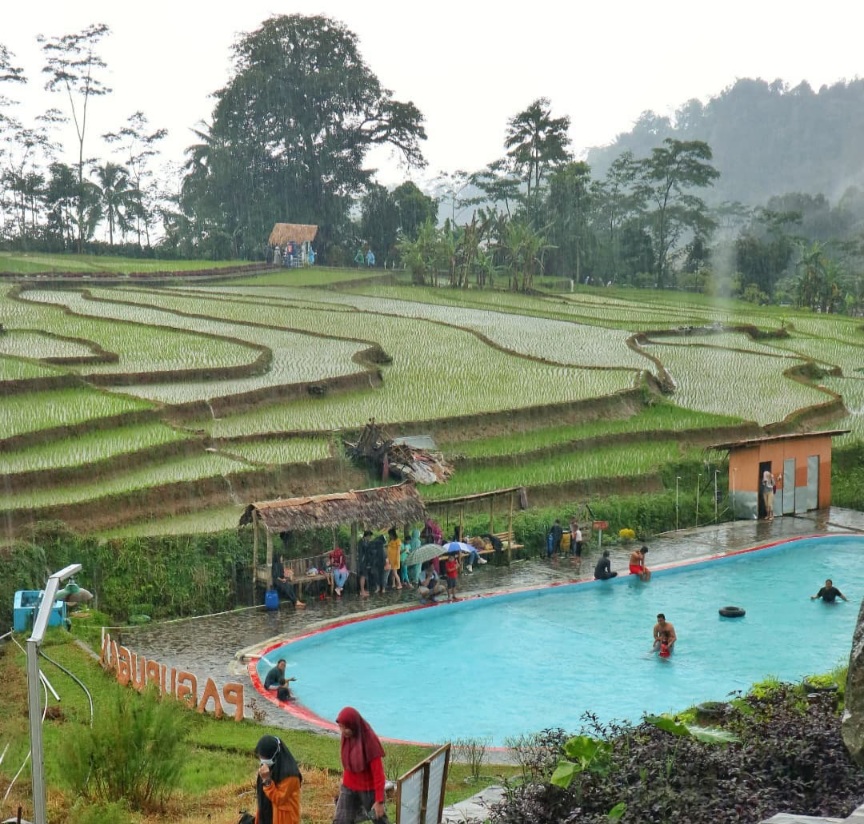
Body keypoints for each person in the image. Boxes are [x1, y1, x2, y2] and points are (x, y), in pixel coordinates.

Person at [334, 707, 388, 824]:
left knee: (380, 820)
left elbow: (378, 774)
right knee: (340, 821)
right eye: (341, 727)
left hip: (368, 790)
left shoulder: (370, 741)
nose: (343, 731)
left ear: (353, 726)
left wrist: (379, 801)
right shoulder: (347, 737)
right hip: (349, 787)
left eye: (345, 728)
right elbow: (349, 763)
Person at [255, 734, 303, 824]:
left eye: (265, 758)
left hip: (283, 819)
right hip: (267, 815)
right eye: (261, 757)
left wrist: (267, 781)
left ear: (274, 755)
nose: (262, 761)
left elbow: (279, 799)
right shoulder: (270, 766)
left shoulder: (290, 775)